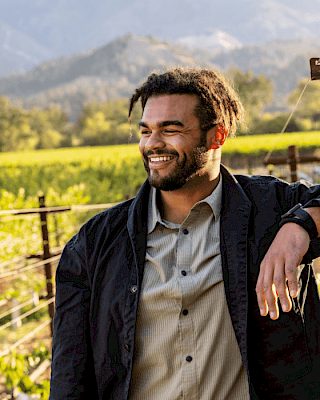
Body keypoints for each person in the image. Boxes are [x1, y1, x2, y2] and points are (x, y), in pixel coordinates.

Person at [50, 67, 320, 400]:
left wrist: (300, 225)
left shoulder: (271, 211)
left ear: (216, 136)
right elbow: (69, 377)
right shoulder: (93, 245)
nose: (152, 144)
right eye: (146, 131)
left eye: (170, 129)